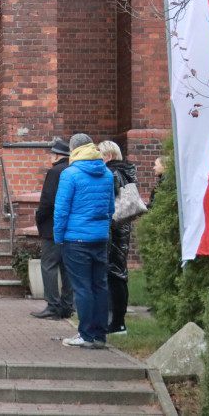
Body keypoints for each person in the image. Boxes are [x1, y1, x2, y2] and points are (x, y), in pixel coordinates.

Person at [54, 133, 115, 350]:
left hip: (76, 238)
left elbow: (61, 210)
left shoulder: (70, 174)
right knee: (99, 285)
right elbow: (110, 208)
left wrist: (58, 237)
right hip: (100, 237)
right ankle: (100, 334)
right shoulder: (107, 173)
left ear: (73, 150)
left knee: (82, 288)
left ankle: (86, 334)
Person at [31, 139, 74, 320]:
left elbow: (47, 200)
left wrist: (39, 217)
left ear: (56, 155)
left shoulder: (55, 172)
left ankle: (53, 305)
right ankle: (67, 306)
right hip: (70, 227)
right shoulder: (73, 171)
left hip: (52, 227)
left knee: (48, 266)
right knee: (66, 268)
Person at [97, 140, 136, 336]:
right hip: (122, 227)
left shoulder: (112, 174)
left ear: (109, 156)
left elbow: (110, 202)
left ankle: (118, 323)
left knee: (115, 274)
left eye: (100, 154)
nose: (97, 158)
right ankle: (117, 321)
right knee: (117, 273)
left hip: (115, 229)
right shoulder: (125, 171)